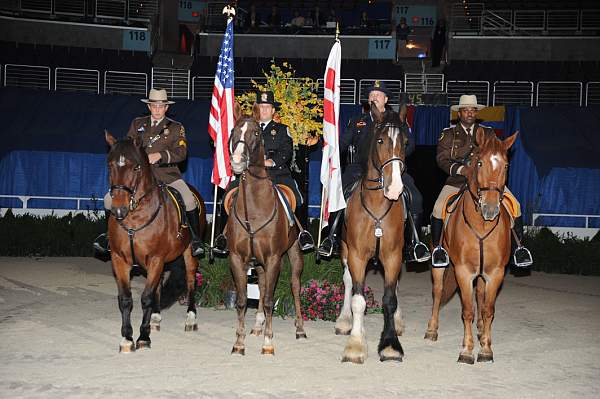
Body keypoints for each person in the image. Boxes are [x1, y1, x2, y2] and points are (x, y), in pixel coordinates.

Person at [318, 81, 430, 263]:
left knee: (415, 197)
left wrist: (396, 158)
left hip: (391, 168)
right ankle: (332, 238)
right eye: (371, 94)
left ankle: (414, 244)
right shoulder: (357, 121)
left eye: (378, 94)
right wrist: (329, 150)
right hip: (359, 169)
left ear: (386, 99)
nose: (374, 97)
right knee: (340, 194)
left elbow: (410, 145)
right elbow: (344, 144)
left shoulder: (397, 120)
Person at [93, 89, 204, 257]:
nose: (157, 109)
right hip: (138, 177)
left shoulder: (175, 128)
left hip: (167, 175)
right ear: (149, 106)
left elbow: (182, 152)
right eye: (154, 105)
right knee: (109, 199)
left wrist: (160, 155)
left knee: (188, 199)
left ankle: (195, 240)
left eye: (161, 106)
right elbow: (128, 147)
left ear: (166, 107)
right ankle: (107, 236)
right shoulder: (138, 124)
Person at [430, 94, 533, 268]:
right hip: (457, 180)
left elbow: (497, 155)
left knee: (515, 205)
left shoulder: (489, 132)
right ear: (459, 113)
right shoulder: (448, 134)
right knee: (438, 207)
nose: (469, 113)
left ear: (476, 112)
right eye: (465, 110)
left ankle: (518, 249)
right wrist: (462, 169)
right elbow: (442, 159)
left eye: (472, 110)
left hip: (487, 182)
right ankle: (438, 249)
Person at [213, 91, 314, 255]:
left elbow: (286, 151)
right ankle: (223, 237)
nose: (264, 110)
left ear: (273, 110)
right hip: (250, 174)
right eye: (261, 106)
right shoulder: (248, 127)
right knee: (227, 196)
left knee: (297, 197)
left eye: (268, 107)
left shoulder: (282, 129)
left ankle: (303, 234)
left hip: (276, 174)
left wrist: (271, 161)